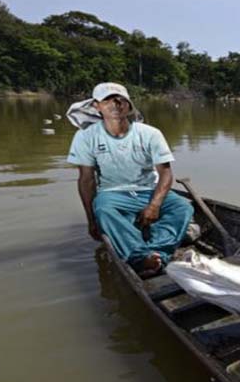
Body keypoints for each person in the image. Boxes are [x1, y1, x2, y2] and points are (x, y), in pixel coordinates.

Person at [66, 82, 194, 276]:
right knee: (103, 210)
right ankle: (140, 255)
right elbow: (86, 180)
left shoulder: (150, 133)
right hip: (112, 193)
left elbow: (166, 173)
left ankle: (156, 252)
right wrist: (91, 220)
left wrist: (154, 205)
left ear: (128, 105)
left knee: (183, 207)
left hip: (148, 189)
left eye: (120, 100)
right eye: (107, 100)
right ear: (96, 106)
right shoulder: (85, 137)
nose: (115, 104)